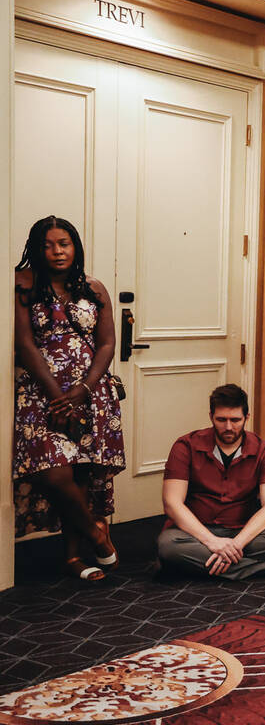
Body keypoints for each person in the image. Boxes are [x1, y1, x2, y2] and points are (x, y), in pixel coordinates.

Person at [13, 216, 125, 583]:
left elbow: (107, 343)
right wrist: (57, 395)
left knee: (81, 475)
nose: (56, 251)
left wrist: (83, 391)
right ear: (35, 248)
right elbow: (25, 343)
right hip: (41, 394)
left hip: (91, 394)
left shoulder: (93, 287)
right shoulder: (22, 284)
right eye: (47, 245)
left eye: (64, 243)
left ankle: (74, 558)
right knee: (55, 471)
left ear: (75, 246)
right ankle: (97, 535)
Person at [158, 384, 265, 580]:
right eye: (221, 420)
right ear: (211, 417)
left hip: (242, 530)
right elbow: (172, 503)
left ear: (247, 417)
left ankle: (195, 566)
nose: (228, 427)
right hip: (196, 531)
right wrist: (212, 542)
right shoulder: (185, 446)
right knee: (168, 545)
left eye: (235, 420)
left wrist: (235, 544)